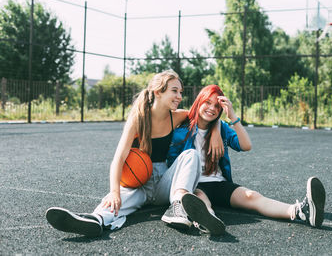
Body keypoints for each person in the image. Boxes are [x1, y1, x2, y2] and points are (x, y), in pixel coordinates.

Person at [45, 70, 224, 237]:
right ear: (158, 92)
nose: (180, 96)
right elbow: (119, 158)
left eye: (181, 92)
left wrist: (215, 129)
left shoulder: (175, 116)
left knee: (191, 155)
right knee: (114, 201)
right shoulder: (138, 119)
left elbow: (205, 114)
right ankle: (95, 220)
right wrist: (114, 191)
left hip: (164, 183)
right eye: (175, 91)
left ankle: (177, 207)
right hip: (138, 184)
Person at [167, 85, 326, 235]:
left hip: (218, 183)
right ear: (199, 101)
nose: (212, 108)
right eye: (207, 102)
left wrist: (233, 117)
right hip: (194, 184)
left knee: (252, 196)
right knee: (200, 198)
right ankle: (207, 220)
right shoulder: (181, 129)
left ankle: (300, 211)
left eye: (217, 106)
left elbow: (246, 145)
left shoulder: (221, 128)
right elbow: (173, 163)